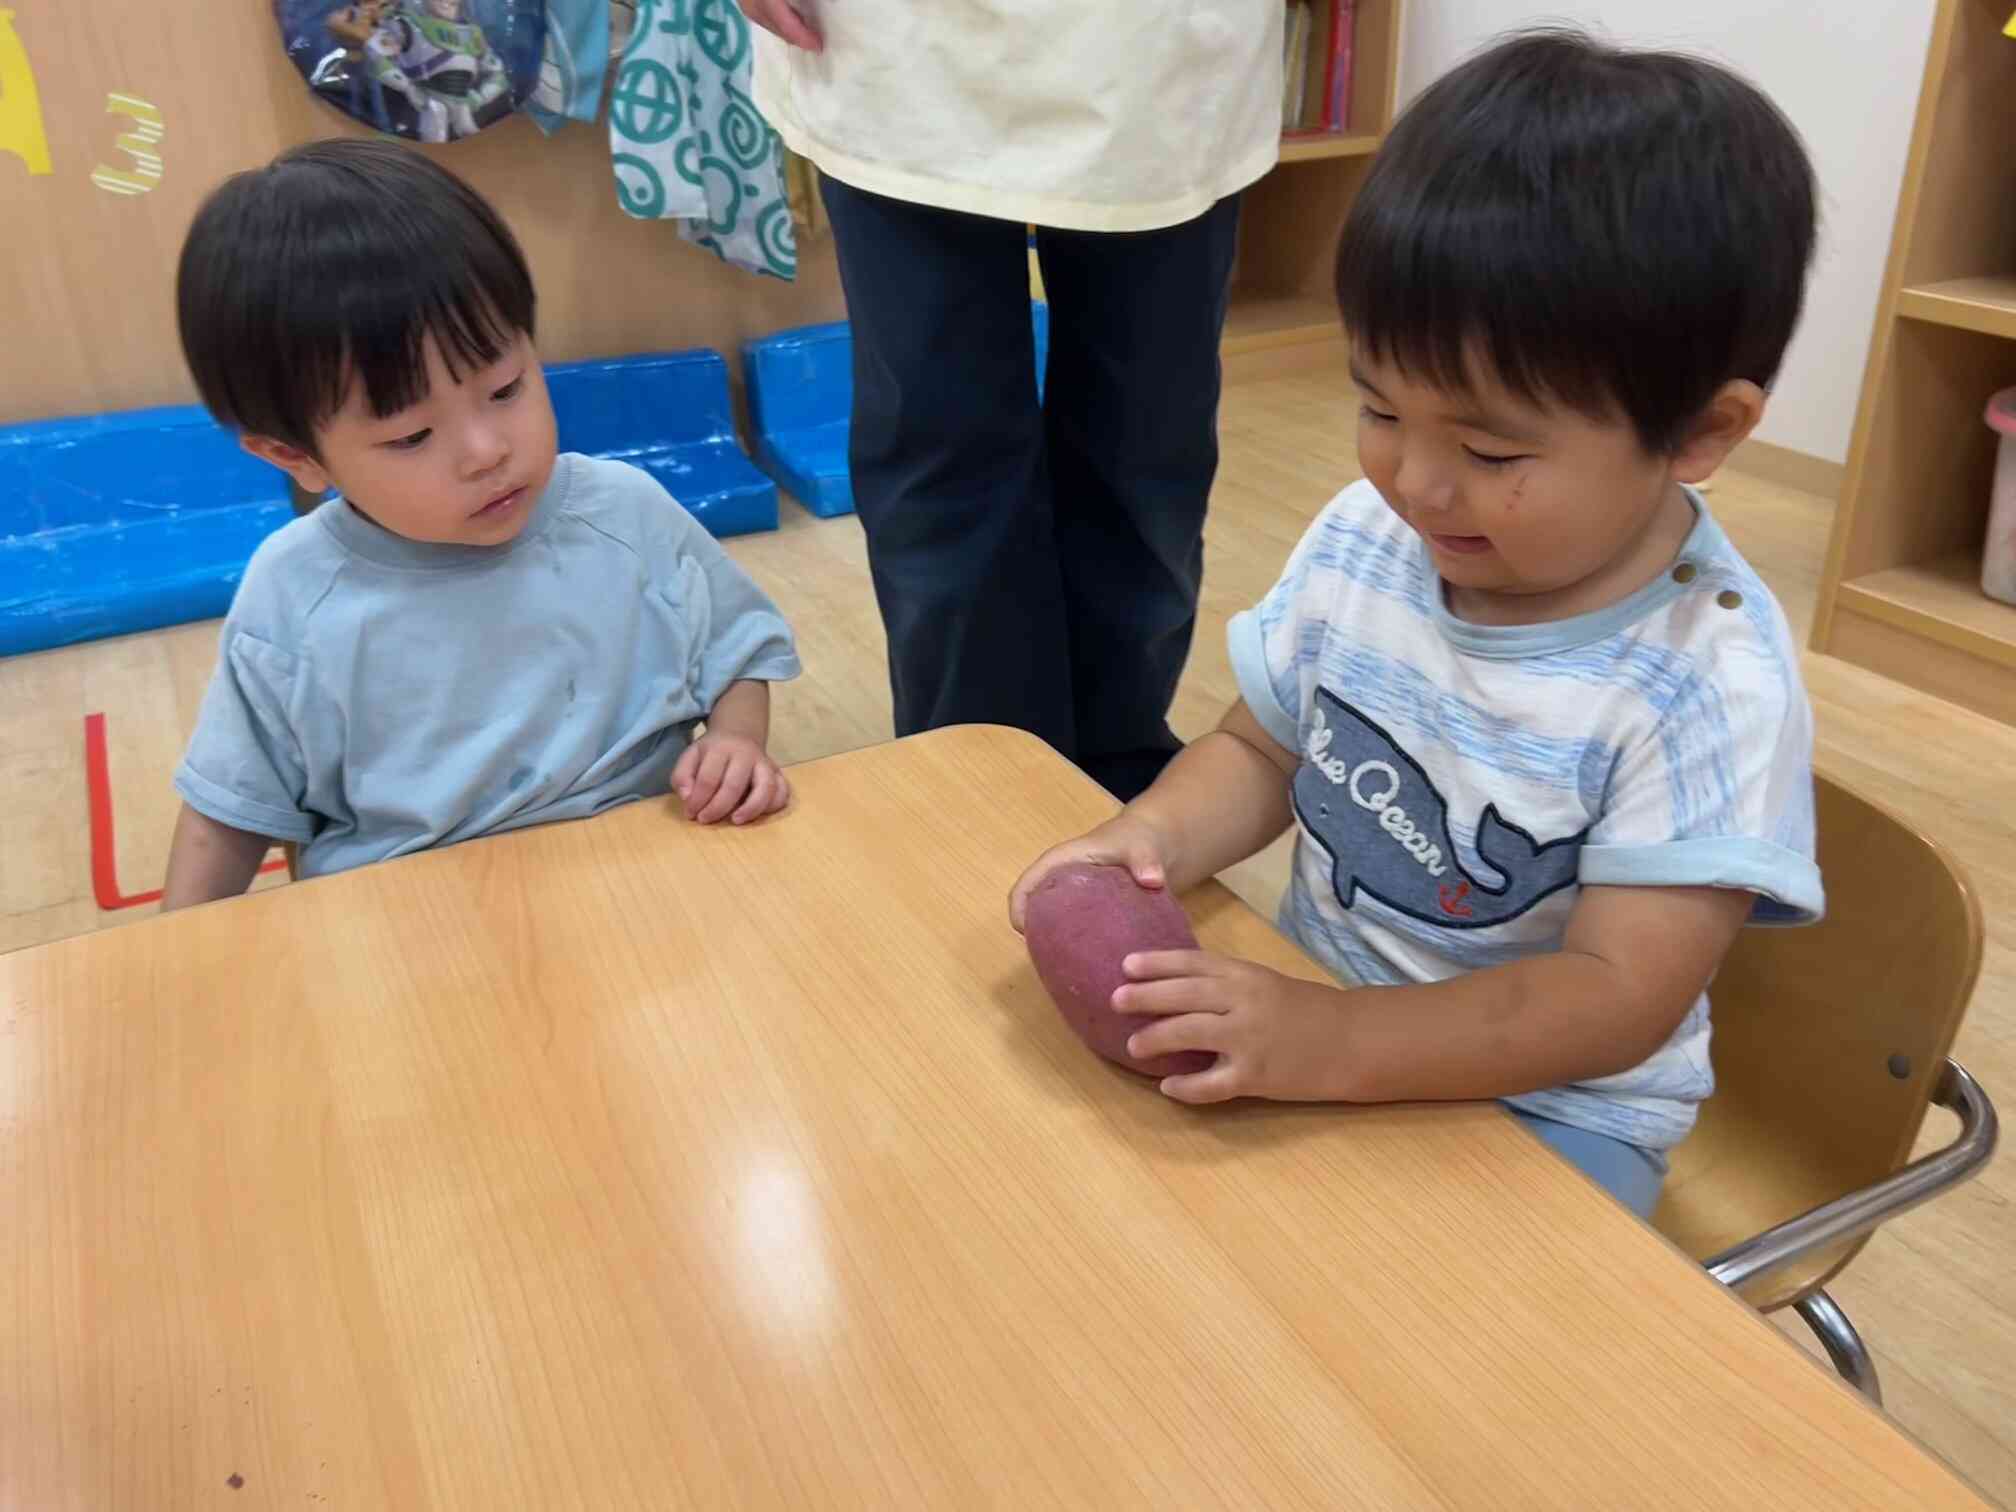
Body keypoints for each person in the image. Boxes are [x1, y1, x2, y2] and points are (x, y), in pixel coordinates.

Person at [1009, 30, 1826, 1218]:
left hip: (1550, 1110)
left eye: (1492, 449)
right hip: (1312, 1015)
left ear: (1701, 432)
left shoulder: (1706, 684)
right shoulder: (1371, 537)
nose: (1418, 484)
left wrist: (1334, 1042)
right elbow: (1261, 747)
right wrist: (1143, 844)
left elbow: (1612, 1001)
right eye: (1381, 406)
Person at [161, 139, 799, 909]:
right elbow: (227, 816)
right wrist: (178, 956)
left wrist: (736, 741)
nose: (487, 451)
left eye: (505, 388)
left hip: (647, 886)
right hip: (415, 928)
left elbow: (734, 651)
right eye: (411, 437)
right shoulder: (294, 594)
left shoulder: (623, 512)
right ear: (295, 455)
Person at [743, 0, 1283, 801]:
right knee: (943, 461)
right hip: (893, 40)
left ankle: (1122, 783)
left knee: (1145, 453)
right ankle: (982, 796)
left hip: (1162, 42)